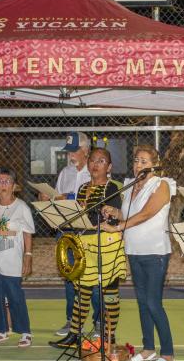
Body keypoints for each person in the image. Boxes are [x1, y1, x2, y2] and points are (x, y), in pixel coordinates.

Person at [102, 144, 176, 361]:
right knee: (143, 303)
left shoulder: (162, 185)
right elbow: (129, 213)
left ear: (154, 164)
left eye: (144, 161)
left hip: (154, 252)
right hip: (134, 250)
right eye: (136, 160)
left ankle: (169, 353)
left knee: (153, 302)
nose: (138, 165)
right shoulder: (130, 186)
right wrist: (115, 213)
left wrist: (119, 226)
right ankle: (148, 349)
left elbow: (147, 213)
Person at [50, 148, 127, 349]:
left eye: (101, 161)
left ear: (109, 167)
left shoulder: (113, 188)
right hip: (85, 243)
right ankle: (74, 334)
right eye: (92, 160)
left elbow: (110, 218)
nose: (95, 164)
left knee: (110, 292)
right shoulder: (83, 188)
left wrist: (88, 213)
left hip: (107, 244)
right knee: (82, 292)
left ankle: (109, 337)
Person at [39, 131, 97, 338]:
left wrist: (66, 197)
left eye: (74, 151)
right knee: (69, 277)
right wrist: (47, 198)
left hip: (88, 231)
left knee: (93, 277)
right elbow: (58, 198)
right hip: (66, 230)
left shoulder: (95, 171)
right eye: (69, 151)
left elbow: (94, 200)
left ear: (85, 150)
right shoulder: (65, 172)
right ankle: (72, 321)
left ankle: (98, 321)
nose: (70, 155)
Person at [0, 167, 35, 347]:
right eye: (0, 181)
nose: (3, 184)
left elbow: (27, 233)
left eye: (7, 181)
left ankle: (25, 331)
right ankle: (0, 330)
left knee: (15, 296)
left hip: (11, 260)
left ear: (13, 185)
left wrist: (28, 256)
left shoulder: (21, 207)